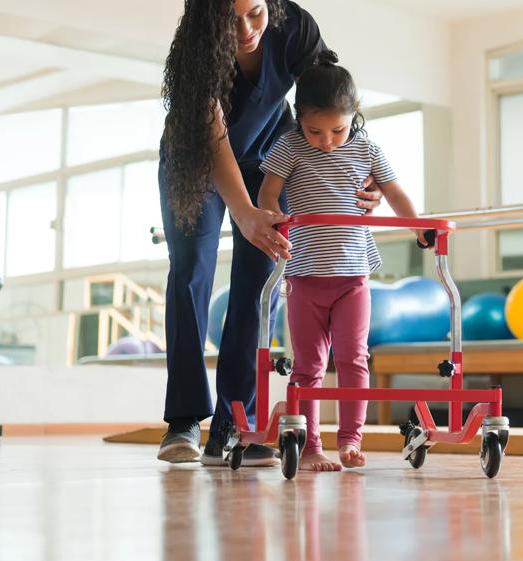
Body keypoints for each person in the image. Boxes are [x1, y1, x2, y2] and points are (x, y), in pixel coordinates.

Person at [155, 0, 383, 465]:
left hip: (268, 159)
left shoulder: (293, 26)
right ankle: (183, 423)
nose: (246, 29)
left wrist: (363, 168)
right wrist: (243, 210)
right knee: (191, 273)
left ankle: (236, 425)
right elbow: (213, 138)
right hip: (196, 161)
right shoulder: (196, 54)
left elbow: (330, 98)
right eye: (230, 17)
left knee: (260, 284)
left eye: (255, 12)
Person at [259, 50, 426, 471]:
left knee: (354, 358)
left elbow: (395, 192)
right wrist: (271, 219)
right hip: (305, 276)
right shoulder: (289, 146)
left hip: (353, 276)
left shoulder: (368, 148)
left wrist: (419, 226)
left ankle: (350, 440)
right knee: (309, 366)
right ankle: (310, 444)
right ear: (299, 118)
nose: (327, 140)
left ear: (355, 116)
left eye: (338, 129)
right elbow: (268, 192)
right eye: (315, 130)